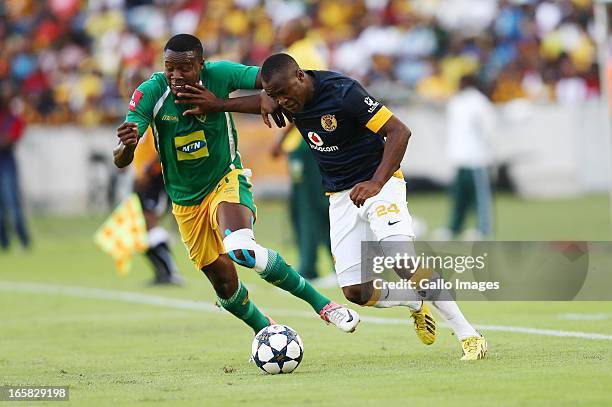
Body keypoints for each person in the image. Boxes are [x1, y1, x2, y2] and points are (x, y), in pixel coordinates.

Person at [113, 34, 359, 335]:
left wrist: (244, 100)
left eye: (185, 68)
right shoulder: (151, 92)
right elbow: (122, 158)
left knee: (241, 249)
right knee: (226, 288)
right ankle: (266, 330)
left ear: (201, 65)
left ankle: (324, 305)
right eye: (170, 68)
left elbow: (267, 83)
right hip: (186, 201)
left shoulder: (220, 74)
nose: (176, 76)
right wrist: (126, 147)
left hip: (225, 180)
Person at [259, 53, 486, 360]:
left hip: (379, 184)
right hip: (341, 197)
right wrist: (220, 104)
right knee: (355, 292)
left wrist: (377, 182)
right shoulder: (293, 101)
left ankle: (469, 335)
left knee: (403, 262)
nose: (282, 101)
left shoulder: (343, 91)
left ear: (300, 76)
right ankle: (413, 303)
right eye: (276, 96)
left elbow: (399, 132)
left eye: (284, 92)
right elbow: (252, 103)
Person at [269, 18, 335, 284]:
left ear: (297, 29)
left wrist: (281, 138)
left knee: (311, 204)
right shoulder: (309, 51)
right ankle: (318, 264)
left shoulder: (301, 54)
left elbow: (306, 101)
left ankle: (313, 266)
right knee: (305, 204)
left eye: (283, 26)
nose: (279, 30)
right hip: (304, 140)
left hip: (305, 141)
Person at [124, 69, 183, 285]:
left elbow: (164, 147)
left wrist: (149, 170)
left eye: (133, 84)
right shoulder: (137, 114)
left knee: (150, 223)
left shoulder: (155, 112)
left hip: (156, 180)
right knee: (141, 227)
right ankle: (163, 271)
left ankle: (170, 271)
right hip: (143, 179)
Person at [446, 75, 496, 240]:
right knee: (459, 197)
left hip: (476, 158)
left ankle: (483, 229)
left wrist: (487, 153)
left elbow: (489, 129)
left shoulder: (479, 102)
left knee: (480, 197)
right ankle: (454, 228)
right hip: (460, 157)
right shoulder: (457, 102)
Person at [0, 84, 31, 251]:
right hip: (5, 159)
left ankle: (23, 238)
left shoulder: (14, 118)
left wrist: (5, 140)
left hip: (6, 161)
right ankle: (4, 242)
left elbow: (11, 140)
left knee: (12, 200)